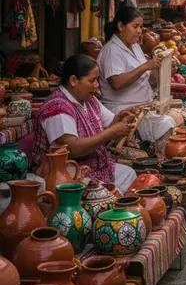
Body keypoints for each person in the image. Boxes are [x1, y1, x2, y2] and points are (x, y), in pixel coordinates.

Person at [31, 54, 137, 193]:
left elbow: (110, 122)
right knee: (106, 193)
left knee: (129, 174)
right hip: (69, 174)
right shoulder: (58, 108)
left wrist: (121, 118)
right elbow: (71, 148)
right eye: (92, 80)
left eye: (97, 80)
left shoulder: (88, 99)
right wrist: (111, 132)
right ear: (74, 80)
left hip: (97, 167)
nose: (97, 85)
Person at [97, 6, 175, 147]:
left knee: (174, 118)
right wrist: (145, 66)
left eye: (141, 27)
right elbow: (116, 83)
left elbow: (146, 79)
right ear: (121, 26)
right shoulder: (111, 51)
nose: (139, 31)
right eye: (135, 26)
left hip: (141, 108)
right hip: (122, 112)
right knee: (166, 124)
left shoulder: (135, 47)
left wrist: (158, 68)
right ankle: (158, 160)